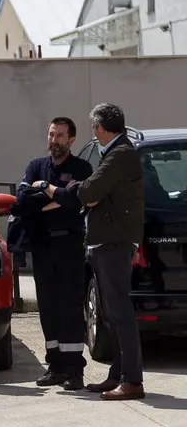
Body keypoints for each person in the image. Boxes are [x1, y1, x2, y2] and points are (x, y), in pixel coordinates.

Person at [72, 103, 145, 400]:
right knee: (111, 314)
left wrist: (87, 192)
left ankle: (132, 381)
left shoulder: (120, 154)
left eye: (94, 127)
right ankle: (117, 374)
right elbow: (92, 193)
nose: (93, 132)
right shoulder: (114, 153)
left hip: (114, 243)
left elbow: (89, 192)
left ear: (101, 128)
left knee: (121, 314)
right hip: (106, 242)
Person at [16, 117, 93, 390]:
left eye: (60, 135)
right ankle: (56, 367)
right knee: (48, 308)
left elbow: (76, 201)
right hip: (42, 247)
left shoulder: (81, 168)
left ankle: (75, 371)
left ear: (71, 139)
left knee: (70, 308)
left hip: (69, 247)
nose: (54, 140)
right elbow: (23, 202)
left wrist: (47, 193)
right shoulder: (36, 166)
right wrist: (57, 198)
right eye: (51, 134)